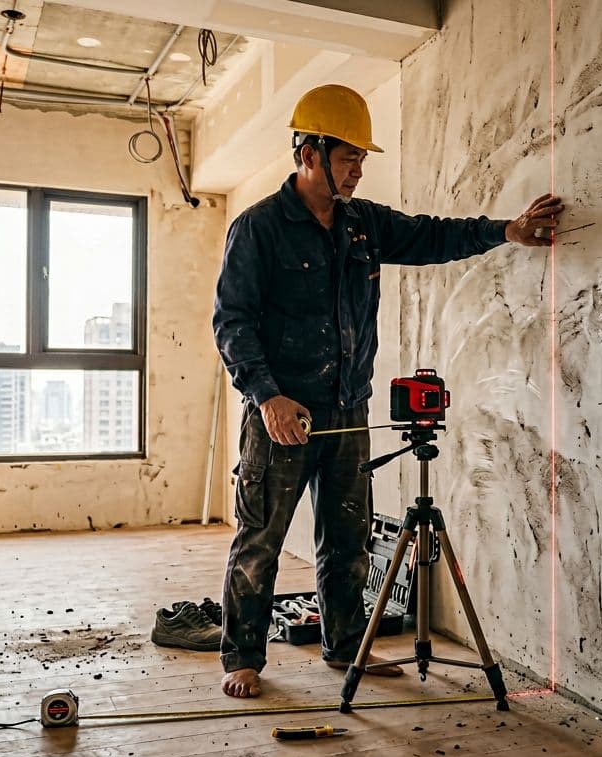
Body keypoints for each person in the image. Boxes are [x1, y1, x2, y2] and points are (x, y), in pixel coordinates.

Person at [212, 83, 563, 698]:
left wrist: (506, 230)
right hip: (282, 416)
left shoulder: (363, 225)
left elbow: (433, 236)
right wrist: (266, 396)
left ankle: (345, 645)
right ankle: (243, 657)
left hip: (347, 408)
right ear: (309, 152)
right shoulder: (260, 228)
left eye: (362, 160)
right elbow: (232, 323)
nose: (356, 169)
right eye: (347, 156)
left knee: (346, 539)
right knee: (260, 540)